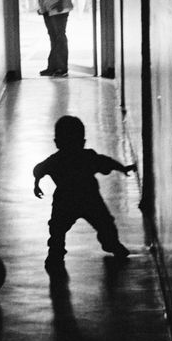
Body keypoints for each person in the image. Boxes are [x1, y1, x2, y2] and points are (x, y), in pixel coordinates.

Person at [33, 115, 136, 277]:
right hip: (89, 198)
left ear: (56, 142)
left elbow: (39, 169)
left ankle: (55, 252)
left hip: (65, 200)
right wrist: (122, 168)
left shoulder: (55, 160)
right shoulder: (88, 157)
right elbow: (106, 162)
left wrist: (36, 184)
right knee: (104, 223)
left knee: (58, 228)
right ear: (83, 141)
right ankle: (112, 244)